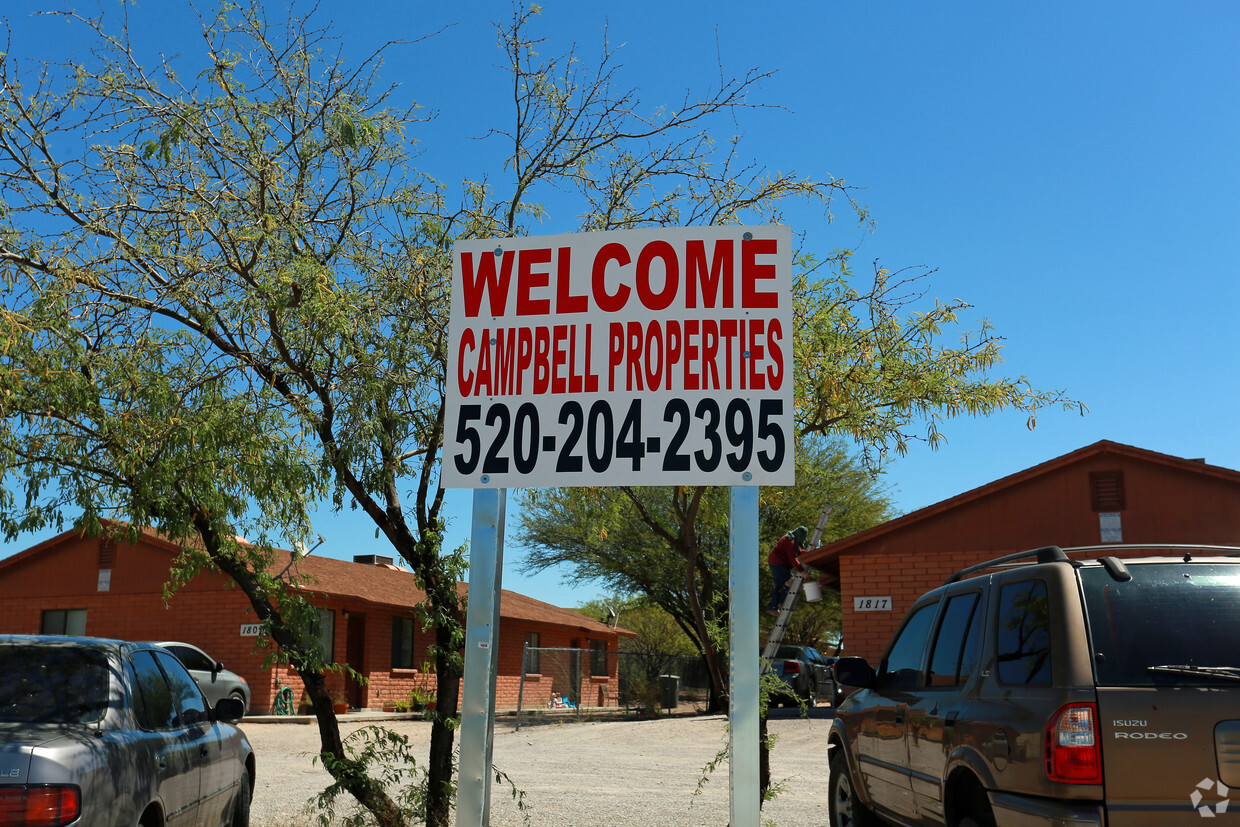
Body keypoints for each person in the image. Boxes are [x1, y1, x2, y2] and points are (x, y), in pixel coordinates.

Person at [766, 526, 808, 615]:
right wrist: (802, 571)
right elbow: (793, 558)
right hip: (778, 563)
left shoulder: (790, 538)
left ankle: (773, 607)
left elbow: (797, 552)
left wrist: (807, 552)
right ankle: (783, 603)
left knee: (780, 585)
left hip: (775, 562)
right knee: (791, 580)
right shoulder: (790, 542)